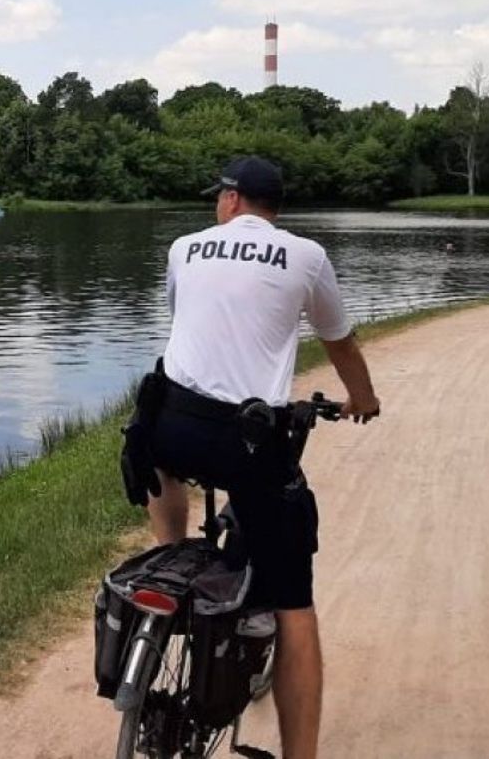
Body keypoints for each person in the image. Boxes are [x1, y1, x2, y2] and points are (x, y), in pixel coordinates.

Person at [126, 156, 380, 759]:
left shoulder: (184, 248)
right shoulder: (307, 256)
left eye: (219, 195)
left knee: (155, 449)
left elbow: (190, 322)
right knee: (294, 603)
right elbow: (340, 342)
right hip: (246, 442)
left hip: (174, 425)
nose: (217, 203)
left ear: (233, 199)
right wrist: (363, 399)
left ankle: (171, 553)